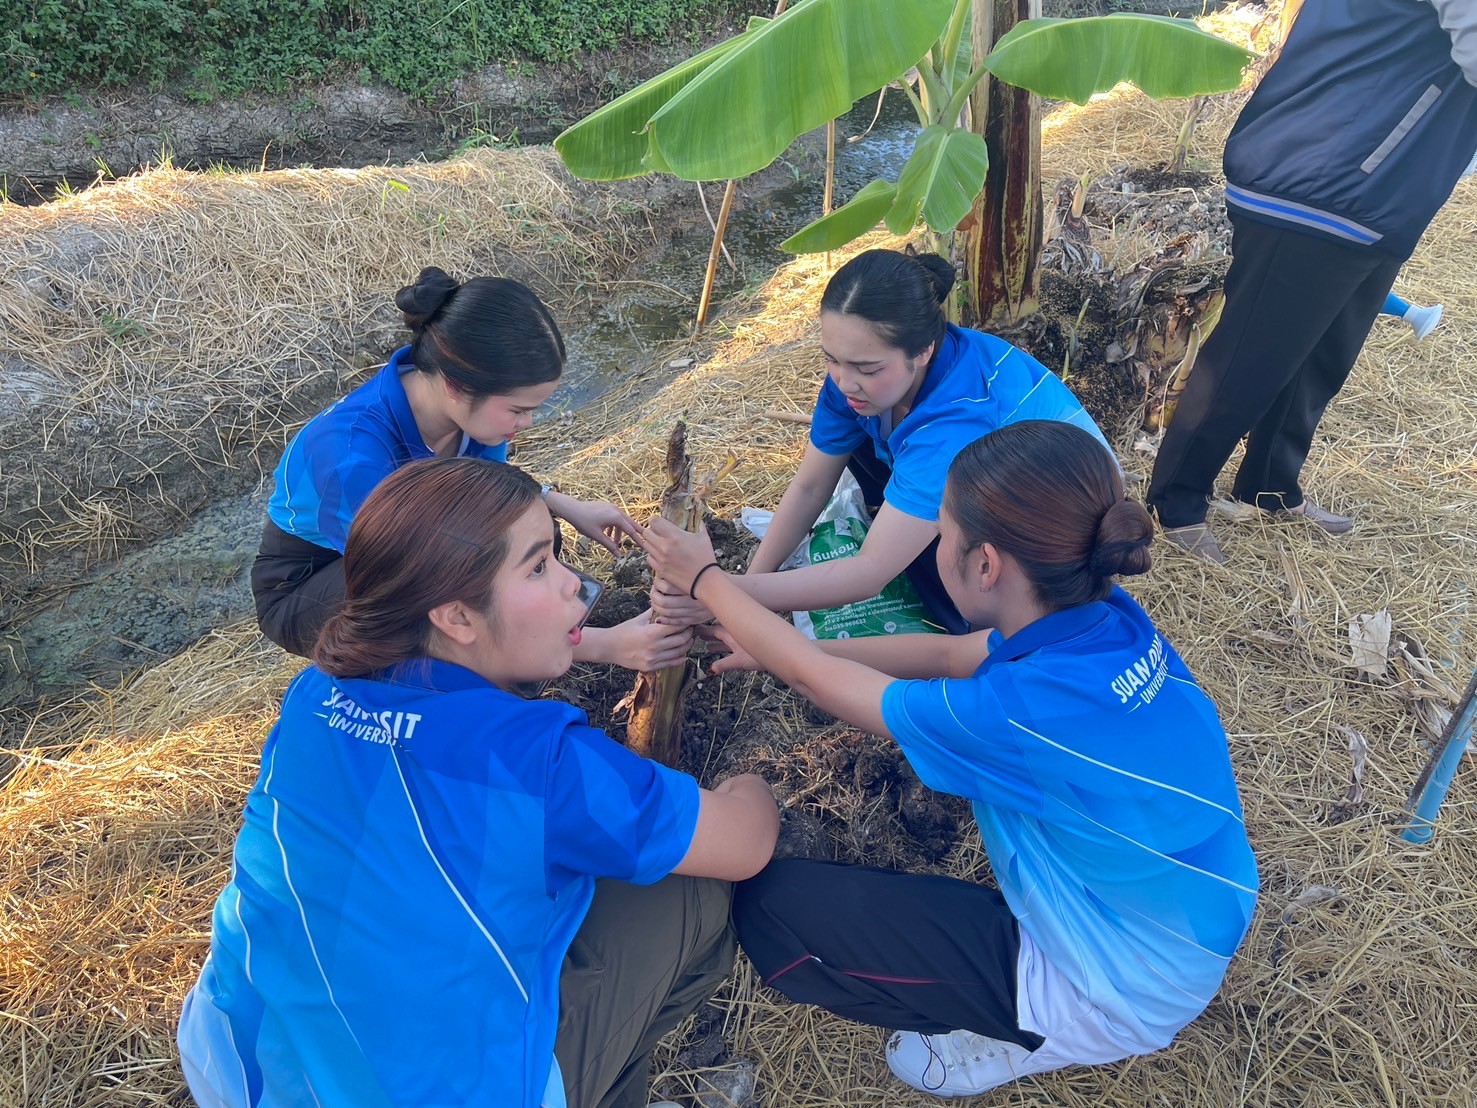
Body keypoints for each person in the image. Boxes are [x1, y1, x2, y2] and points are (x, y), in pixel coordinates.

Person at [639, 421, 1258, 1099]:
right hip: (1197, 918)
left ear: (985, 563)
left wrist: (703, 579)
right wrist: (772, 650)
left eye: (941, 533)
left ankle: (1024, 1032)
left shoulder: (1018, 711)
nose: (934, 546)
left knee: (774, 911)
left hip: (1120, 990)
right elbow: (944, 655)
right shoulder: (1107, 621)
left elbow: (831, 688)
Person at [180, 456, 780, 1108]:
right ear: (456, 618)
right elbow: (745, 844)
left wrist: (599, 643)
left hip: (241, 1058)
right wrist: (751, 768)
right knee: (688, 899)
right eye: (539, 566)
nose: (574, 585)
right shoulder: (530, 759)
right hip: (424, 1093)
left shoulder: (313, 693)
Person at [1147, 0, 1477, 563]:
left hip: (1372, 186)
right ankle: (1173, 502)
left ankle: (1269, 488)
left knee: (1321, 355)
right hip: (1325, 180)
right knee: (1249, 359)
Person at [651, 248, 1111, 635]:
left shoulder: (955, 420)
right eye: (833, 359)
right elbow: (812, 486)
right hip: (987, 478)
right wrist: (746, 587)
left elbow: (869, 573)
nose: (845, 382)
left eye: (867, 369)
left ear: (924, 350)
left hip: (1055, 533)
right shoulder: (854, 383)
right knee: (857, 452)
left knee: (942, 578)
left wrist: (718, 590)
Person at [252, 266, 691, 670]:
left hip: (403, 540)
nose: (527, 423)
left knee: (530, 525)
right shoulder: (351, 457)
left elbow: (494, 495)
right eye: (518, 410)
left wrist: (563, 504)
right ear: (457, 386)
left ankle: (528, 642)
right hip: (313, 582)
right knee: (446, 604)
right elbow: (426, 575)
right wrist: (601, 645)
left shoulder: (464, 417)